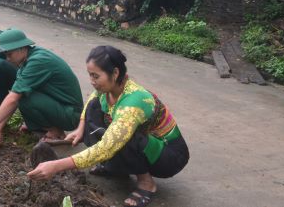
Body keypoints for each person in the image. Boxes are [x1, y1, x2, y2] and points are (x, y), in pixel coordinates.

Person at [27, 46, 189, 207]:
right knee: (94, 109)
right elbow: (92, 99)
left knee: (123, 137)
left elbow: (107, 147)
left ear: (115, 73)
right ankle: (117, 168)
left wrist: (57, 165)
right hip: (147, 145)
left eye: (96, 76)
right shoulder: (109, 89)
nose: (92, 81)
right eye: (90, 75)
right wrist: (80, 128)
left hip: (169, 155)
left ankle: (146, 183)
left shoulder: (135, 101)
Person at [0, 29, 83, 151]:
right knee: (22, 96)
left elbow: (13, 99)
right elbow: (13, 100)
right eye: (5, 55)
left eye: (9, 54)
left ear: (21, 48)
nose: (7, 59)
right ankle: (48, 127)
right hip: (62, 107)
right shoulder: (26, 62)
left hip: (72, 115)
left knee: (24, 99)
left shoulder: (37, 61)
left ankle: (55, 131)